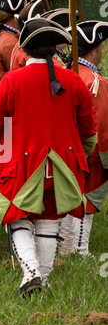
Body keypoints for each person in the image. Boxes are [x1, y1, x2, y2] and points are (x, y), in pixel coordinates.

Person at [0, 18, 96, 296]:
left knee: (19, 218)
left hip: (21, 165)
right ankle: (44, 279)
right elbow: (88, 131)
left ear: (24, 50)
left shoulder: (11, 81)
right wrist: (79, 156)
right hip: (64, 166)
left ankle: (31, 272)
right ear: (54, 50)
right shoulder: (73, 80)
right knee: (49, 219)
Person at [59, 20, 108, 257]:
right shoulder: (95, 82)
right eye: (102, 47)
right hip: (90, 151)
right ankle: (79, 248)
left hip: (65, 147)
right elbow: (101, 125)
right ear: (95, 50)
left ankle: (67, 245)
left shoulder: (67, 73)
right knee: (87, 199)